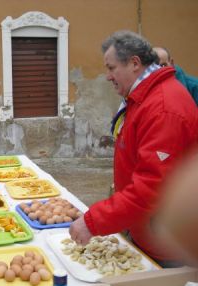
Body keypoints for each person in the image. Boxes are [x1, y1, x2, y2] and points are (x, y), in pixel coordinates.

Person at [69, 30, 198, 268]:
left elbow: (152, 187)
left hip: (167, 243)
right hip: (146, 229)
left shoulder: (163, 107)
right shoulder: (142, 97)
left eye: (111, 68)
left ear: (135, 63)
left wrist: (93, 221)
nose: (107, 76)